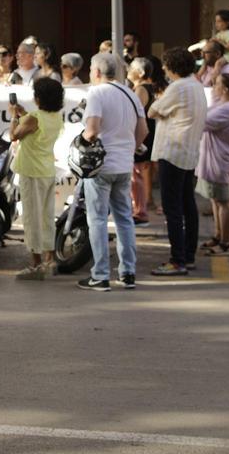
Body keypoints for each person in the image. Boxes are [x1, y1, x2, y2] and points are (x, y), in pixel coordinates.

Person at [78, 53, 148, 292]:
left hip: (100, 166)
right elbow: (143, 131)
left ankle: (100, 275)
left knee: (97, 220)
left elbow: (92, 130)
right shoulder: (131, 93)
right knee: (124, 220)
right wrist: (129, 148)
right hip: (123, 165)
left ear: (97, 72)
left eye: (90, 70)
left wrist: (81, 143)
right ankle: (128, 273)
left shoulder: (97, 93)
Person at [148, 48, 207, 276]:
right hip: (188, 151)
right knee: (187, 205)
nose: (163, 69)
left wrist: (164, 110)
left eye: (165, 65)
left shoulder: (178, 87)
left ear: (172, 67)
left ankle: (177, 260)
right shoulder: (196, 85)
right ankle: (188, 255)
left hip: (172, 151)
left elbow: (153, 110)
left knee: (172, 208)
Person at [10, 77, 65, 280]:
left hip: (31, 172)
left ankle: (35, 264)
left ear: (39, 98)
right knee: (47, 217)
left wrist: (14, 117)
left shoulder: (34, 117)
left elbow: (14, 136)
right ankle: (49, 260)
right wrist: (23, 114)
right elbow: (35, 125)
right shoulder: (55, 116)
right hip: (47, 171)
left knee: (32, 219)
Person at [197, 72, 229, 255]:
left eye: (216, 84)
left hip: (219, 161)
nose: (213, 86)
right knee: (215, 200)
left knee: (223, 202)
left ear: (224, 89)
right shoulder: (223, 104)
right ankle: (218, 235)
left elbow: (201, 122)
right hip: (213, 161)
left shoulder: (228, 109)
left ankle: (225, 242)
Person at [127, 57, 159, 226]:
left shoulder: (141, 89)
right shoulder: (147, 87)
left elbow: (135, 114)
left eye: (131, 67)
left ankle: (140, 212)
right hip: (147, 133)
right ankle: (140, 208)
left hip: (142, 135)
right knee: (139, 172)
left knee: (137, 174)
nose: (128, 70)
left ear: (140, 72)